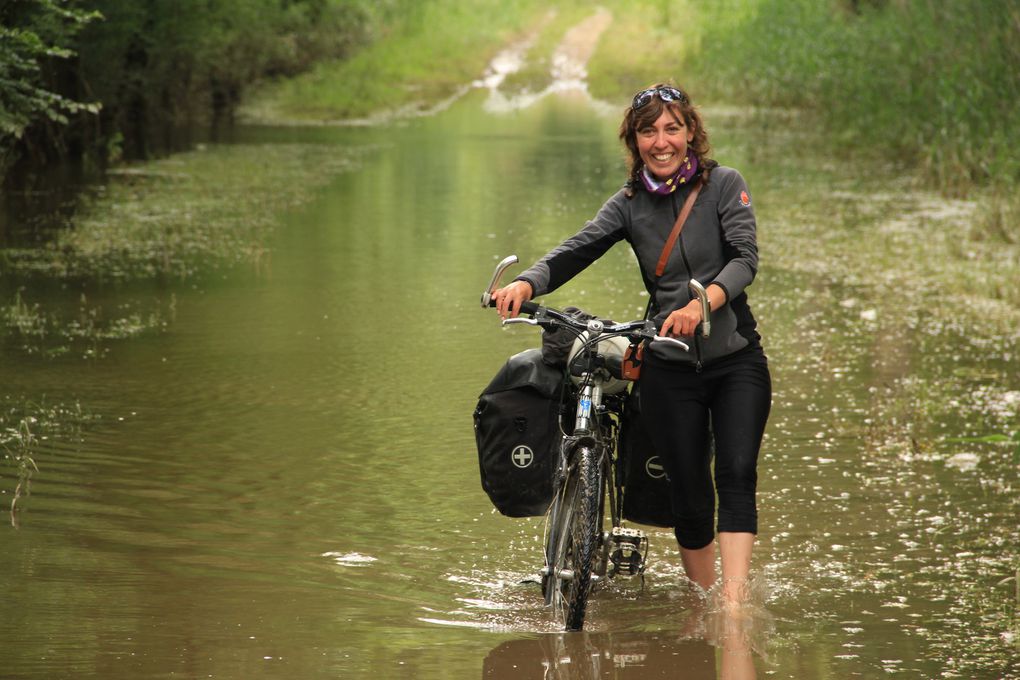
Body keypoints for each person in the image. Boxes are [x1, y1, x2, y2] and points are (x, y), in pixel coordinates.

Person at [493, 83, 772, 606]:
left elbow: (744, 260)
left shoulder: (725, 185)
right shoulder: (628, 204)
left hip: (736, 360)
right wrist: (527, 283)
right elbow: (577, 248)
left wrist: (700, 305)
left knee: (735, 472)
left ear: (691, 133)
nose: (661, 141)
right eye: (649, 131)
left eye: (672, 128)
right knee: (688, 493)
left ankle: (732, 609)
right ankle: (701, 601)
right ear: (634, 139)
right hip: (667, 363)